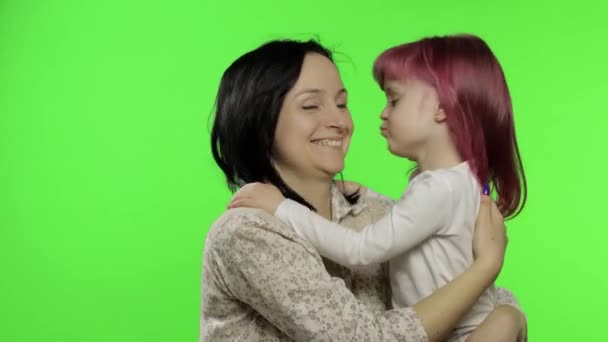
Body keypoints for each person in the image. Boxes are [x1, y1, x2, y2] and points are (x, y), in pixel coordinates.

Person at [202, 38, 526, 341]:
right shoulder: (248, 232)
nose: (339, 121)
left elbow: (472, 291)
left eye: (342, 104)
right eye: (311, 106)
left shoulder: (373, 210)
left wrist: (507, 316)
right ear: (259, 119)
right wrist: (487, 268)